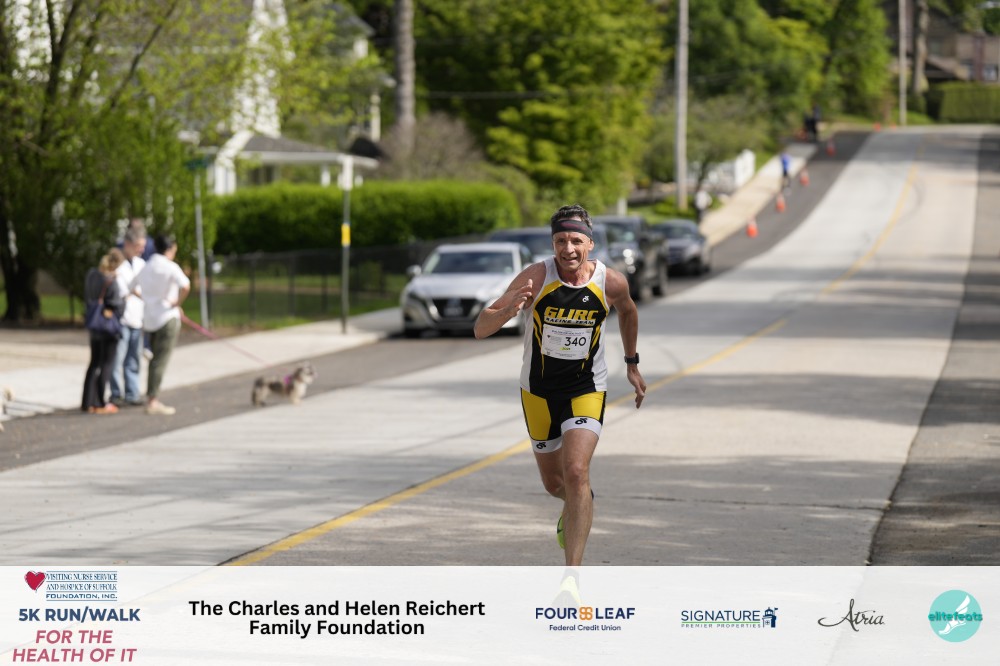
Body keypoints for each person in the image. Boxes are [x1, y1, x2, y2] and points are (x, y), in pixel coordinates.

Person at [474, 204, 646, 578]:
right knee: (556, 484)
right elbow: (480, 328)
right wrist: (507, 311)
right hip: (538, 392)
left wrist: (631, 363)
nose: (568, 249)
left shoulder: (610, 282)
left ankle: (572, 577)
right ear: (553, 243)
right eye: (560, 241)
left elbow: (629, 312)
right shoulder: (537, 276)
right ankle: (577, 507)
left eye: (576, 241)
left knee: (576, 471)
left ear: (590, 244)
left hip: (586, 388)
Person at [130, 235, 190, 415]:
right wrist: (176, 303)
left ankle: (152, 397)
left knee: (155, 359)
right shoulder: (170, 267)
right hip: (167, 318)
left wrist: (148, 299)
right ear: (170, 249)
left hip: (150, 319)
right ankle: (153, 400)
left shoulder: (146, 266)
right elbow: (185, 286)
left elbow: (132, 287)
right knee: (160, 360)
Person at [82, 249, 126, 414]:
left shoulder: (92, 275)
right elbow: (116, 305)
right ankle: (100, 402)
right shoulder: (111, 282)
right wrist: (123, 301)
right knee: (107, 364)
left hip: (94, 325)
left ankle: (87, 402)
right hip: (108, 328)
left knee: (94, 363)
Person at [110, 226, 147, 407]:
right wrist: (134, 292)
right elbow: (120, 290)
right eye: (138, 245)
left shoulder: (141, 264)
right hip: (122, 318)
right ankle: (116, 393)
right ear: (127, 244)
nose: (141, 249)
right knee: (118, 358)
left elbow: (144, 288)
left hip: (137, 318)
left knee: (134, 358)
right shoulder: (118, 263)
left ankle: (132, 393)